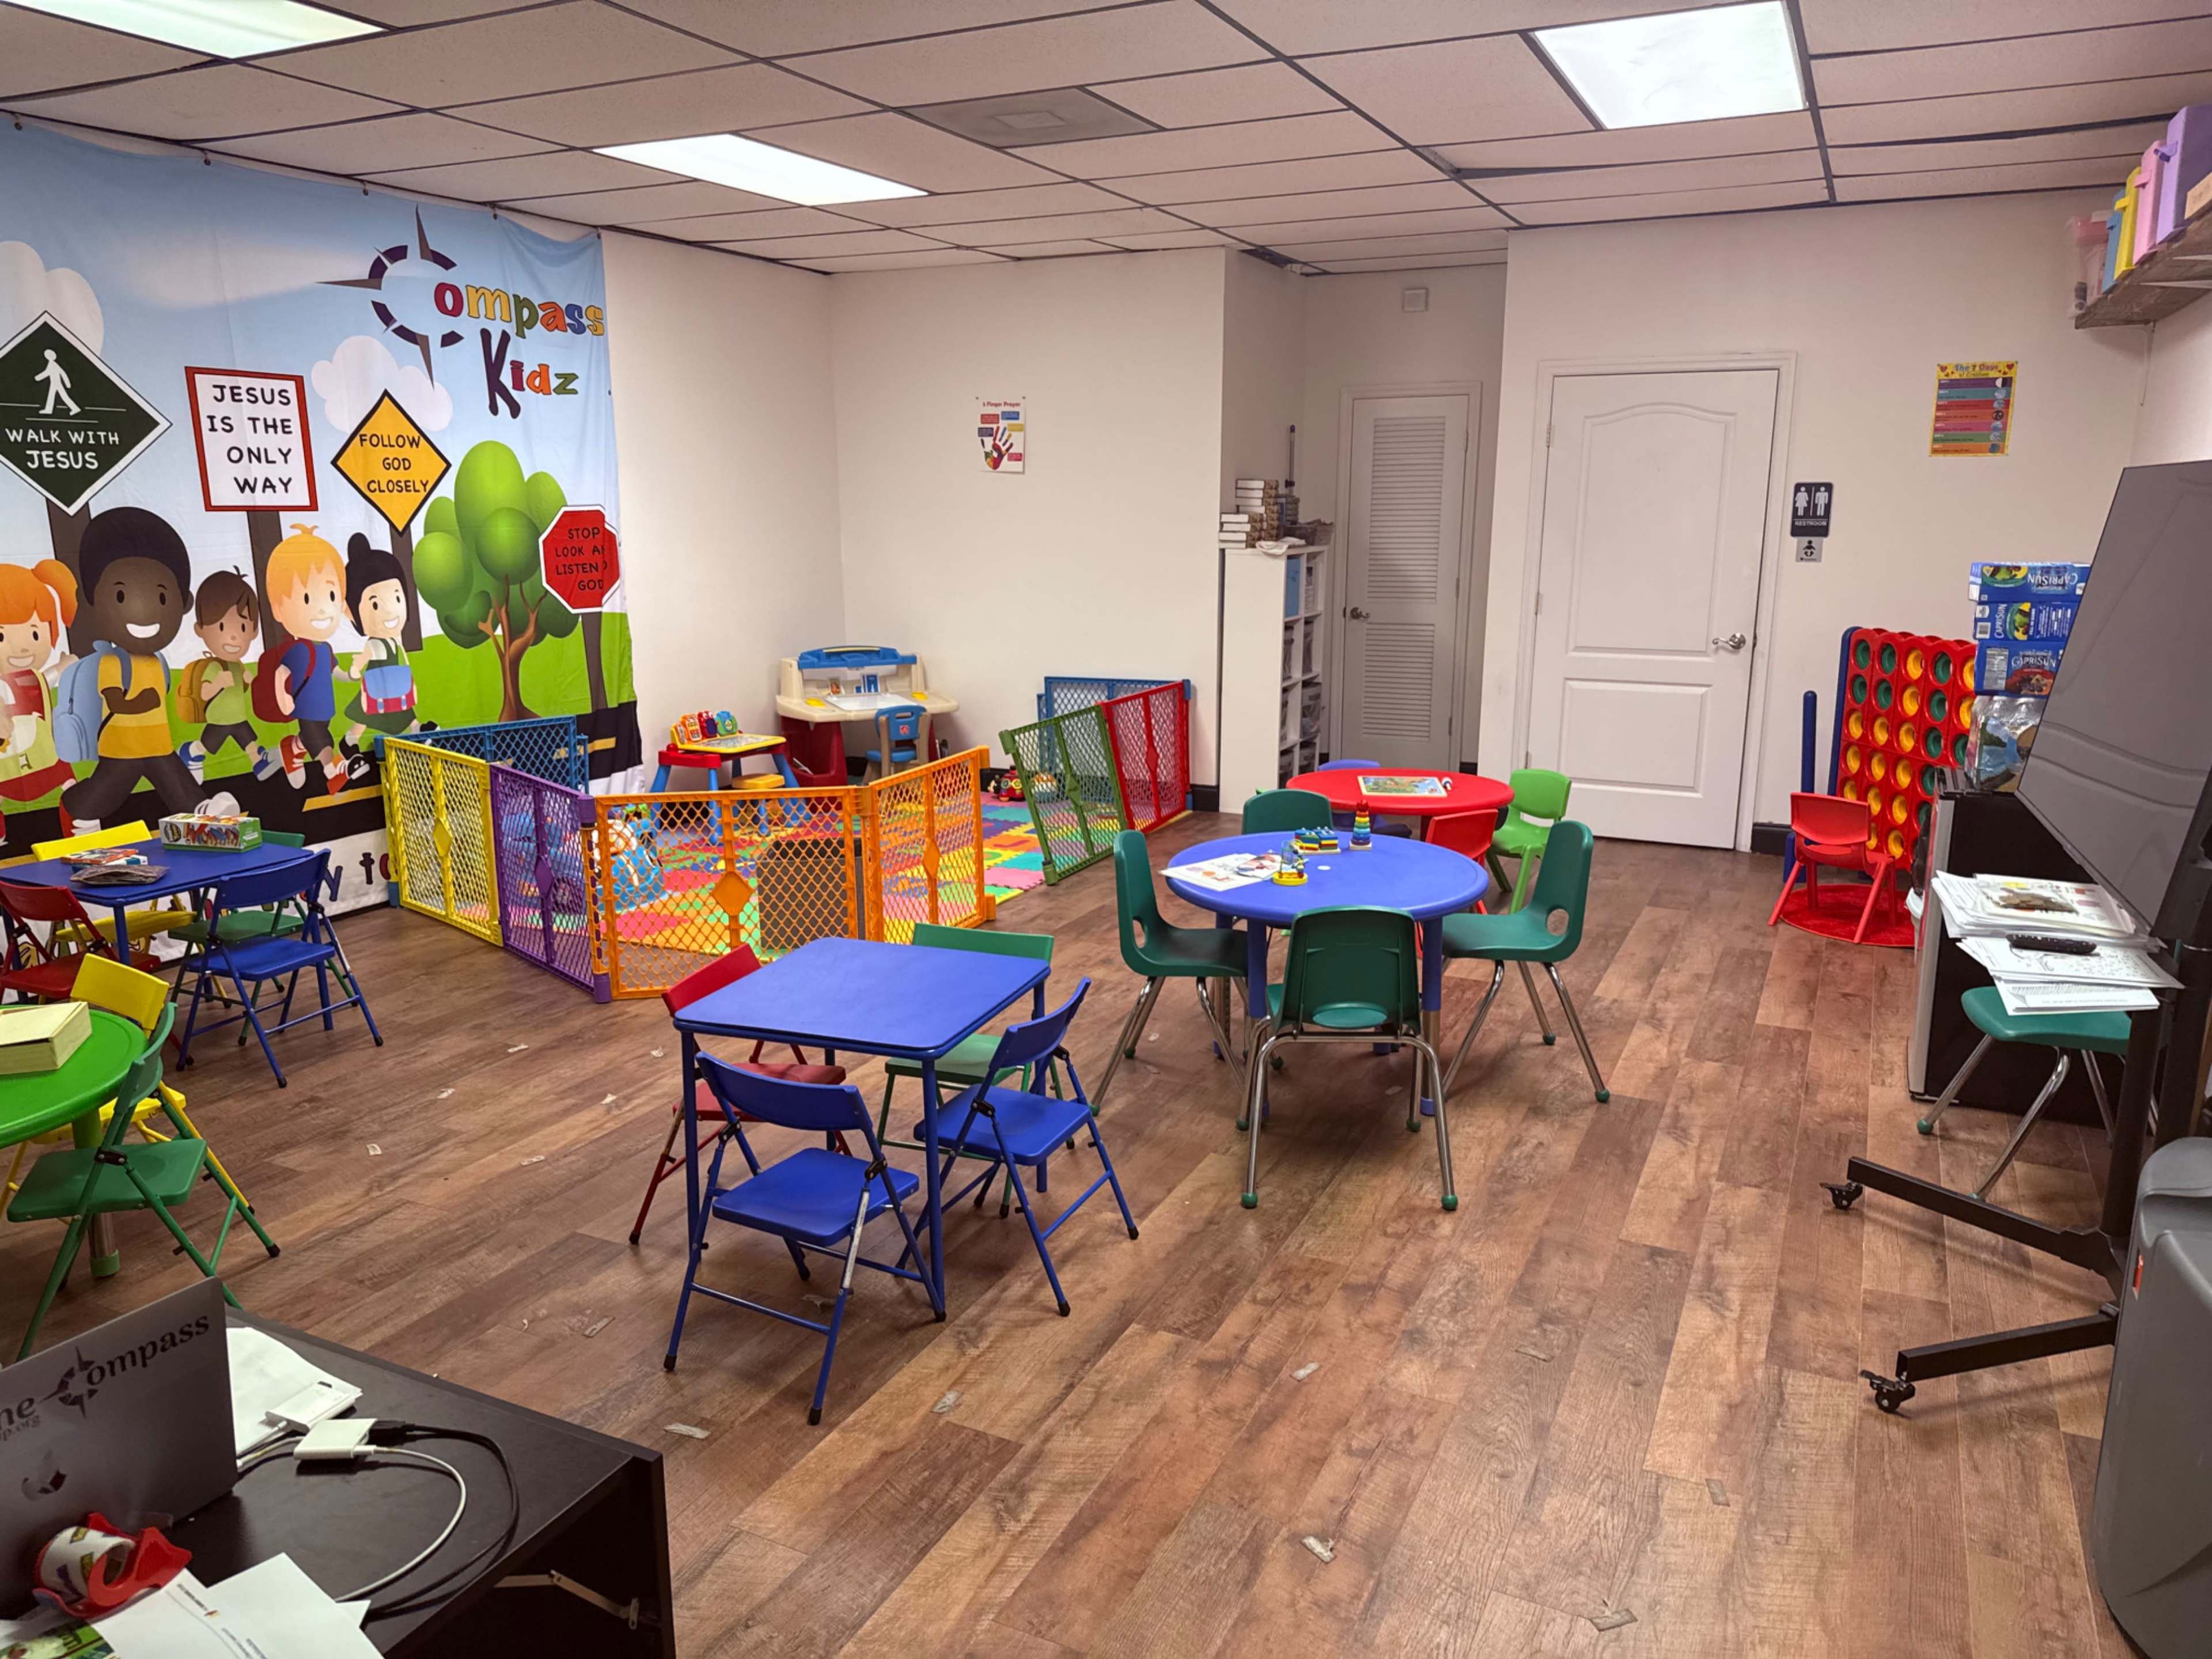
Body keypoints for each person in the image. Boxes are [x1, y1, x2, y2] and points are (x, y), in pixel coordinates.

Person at [60, 506, 200, 826]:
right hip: (122, 748)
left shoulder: (156, 661)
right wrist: (144, 702)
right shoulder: (113, 661)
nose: (145, 611)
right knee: (103, 794)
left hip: (157, 745)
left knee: (178, 786)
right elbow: (115, 702)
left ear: (184, 602)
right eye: (121, 595)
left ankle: (202, 811)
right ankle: (76, 807)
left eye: (163, 598)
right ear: (91, 599)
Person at [259, 526, 351, 794]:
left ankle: (292, 749)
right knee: (321, 740)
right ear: (279, 608)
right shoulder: (298, 649)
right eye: (308, 598)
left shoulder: (327, 648)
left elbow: (337, 672)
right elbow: (281, 674)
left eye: (331, 596)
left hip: (325, 706)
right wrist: (284, 699)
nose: (323, 608)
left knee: (316, 735)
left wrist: (351, 675)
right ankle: (331, 770)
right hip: (305, 706)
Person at [178, 569, 278, 783]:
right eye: (222, 626)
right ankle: (191, 751)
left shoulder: (238, 664)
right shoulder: (214, 666)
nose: (234, 636)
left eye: (243, 627)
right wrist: (217, 684)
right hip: (220, 719)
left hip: (238, 716)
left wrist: (248, 681)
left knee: (248, 738)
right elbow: (205, 692)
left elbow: (240, 688)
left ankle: (258, 761)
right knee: (210, 742)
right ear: (200, 629)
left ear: (253, 631)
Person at [0, 560, 80, 806]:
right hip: (7, 761)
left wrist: (62, 666)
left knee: (70, 786)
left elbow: (44, 682)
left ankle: (83, 830)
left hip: (44, 753)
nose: (23, 647)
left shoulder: (33, 678)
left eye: (35, 633)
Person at [338, 535, 416, 751]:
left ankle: (417, 727)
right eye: (374, 605)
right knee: (366, 712)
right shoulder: (374, 643)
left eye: (397, 598)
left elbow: (404, 659)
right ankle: (350, 740)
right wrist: (354, 669)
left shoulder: (395, 641)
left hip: (395, 681)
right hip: (376, 683)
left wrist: (412, 682)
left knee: (402, 707)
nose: (391, 610)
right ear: (352, 613)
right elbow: (364, 658)